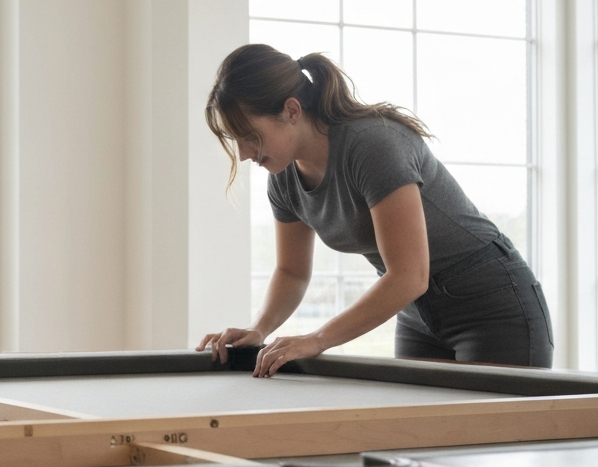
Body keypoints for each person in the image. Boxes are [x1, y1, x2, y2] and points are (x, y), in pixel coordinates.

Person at [195, 44, 552, 377]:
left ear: (291, 110)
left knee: (487, 442)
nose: (243, 154)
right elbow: (291, 272)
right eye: (235, 140)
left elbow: (409, 275)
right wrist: (259, 328)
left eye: (249, 135)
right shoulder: (283, 179)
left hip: (493, 305)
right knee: (418, 440)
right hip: (416, 314)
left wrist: (317, 339)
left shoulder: (372, 145)